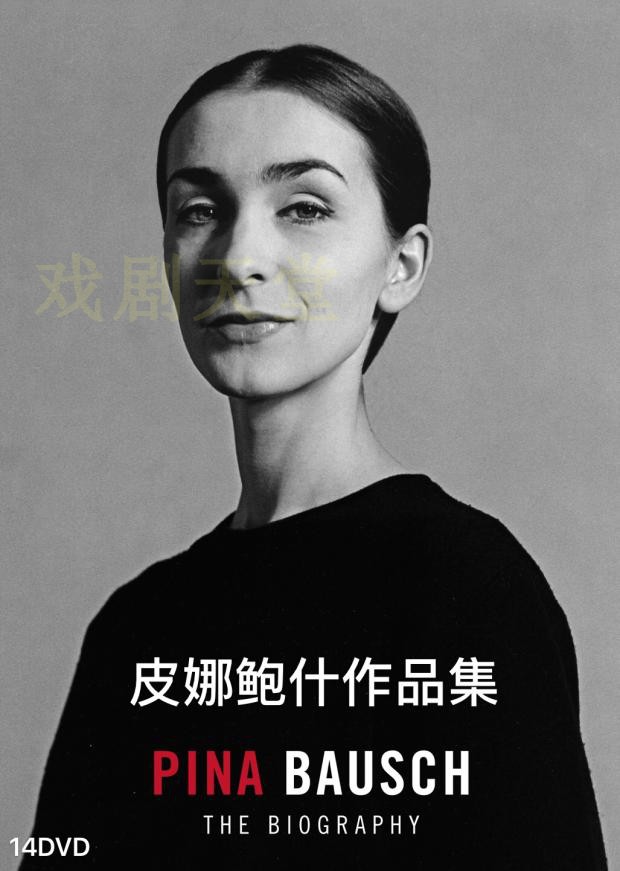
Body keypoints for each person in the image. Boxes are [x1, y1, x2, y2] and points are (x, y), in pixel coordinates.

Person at [21, 44, 607, 869]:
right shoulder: (134, 629)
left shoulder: (469, 589)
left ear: (401, 265)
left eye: (303, 208)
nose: (238, 259)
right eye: (199, 210)